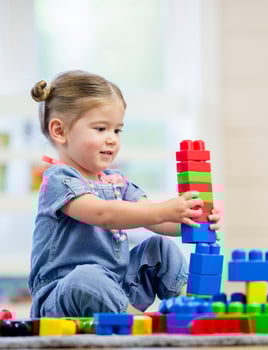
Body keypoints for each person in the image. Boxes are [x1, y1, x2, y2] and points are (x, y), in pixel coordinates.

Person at [28, 70, 220, 317]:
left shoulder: (115, 181)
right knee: (88, 276)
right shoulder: (58, 179)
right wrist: (163, 209)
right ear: (59, 131)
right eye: (100, 129)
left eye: (117, 130)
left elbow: (157, 220)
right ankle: (133, 322)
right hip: (63, 294)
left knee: (160, 247)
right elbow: (103, 214)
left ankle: (191, 307)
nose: (112, 139)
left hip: (116, 285)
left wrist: (192, 219)